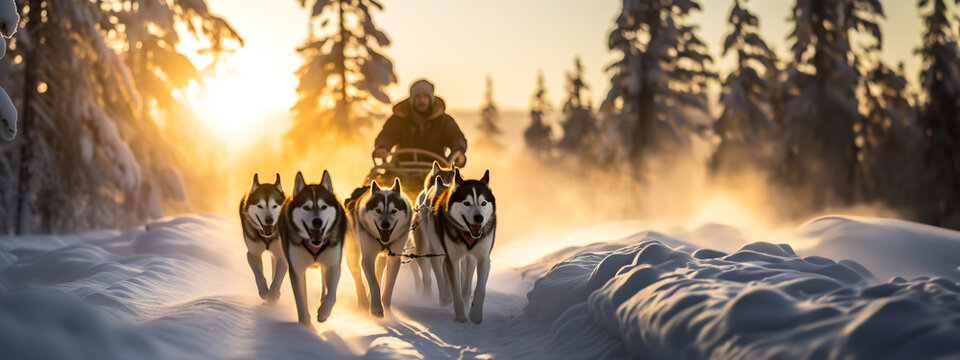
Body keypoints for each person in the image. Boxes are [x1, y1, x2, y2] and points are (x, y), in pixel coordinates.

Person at [373, 79, 467, 166]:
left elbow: (456, 137)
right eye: (418, 97)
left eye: (425, 97)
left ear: (431, 99)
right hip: (401, 169)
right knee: (379, 180)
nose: (422, 100)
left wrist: (458, 151)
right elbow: (387, 135)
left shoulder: (444, 121)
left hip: (436, 172)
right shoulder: (398, 119)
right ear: (412, 99)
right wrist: (382, 147)